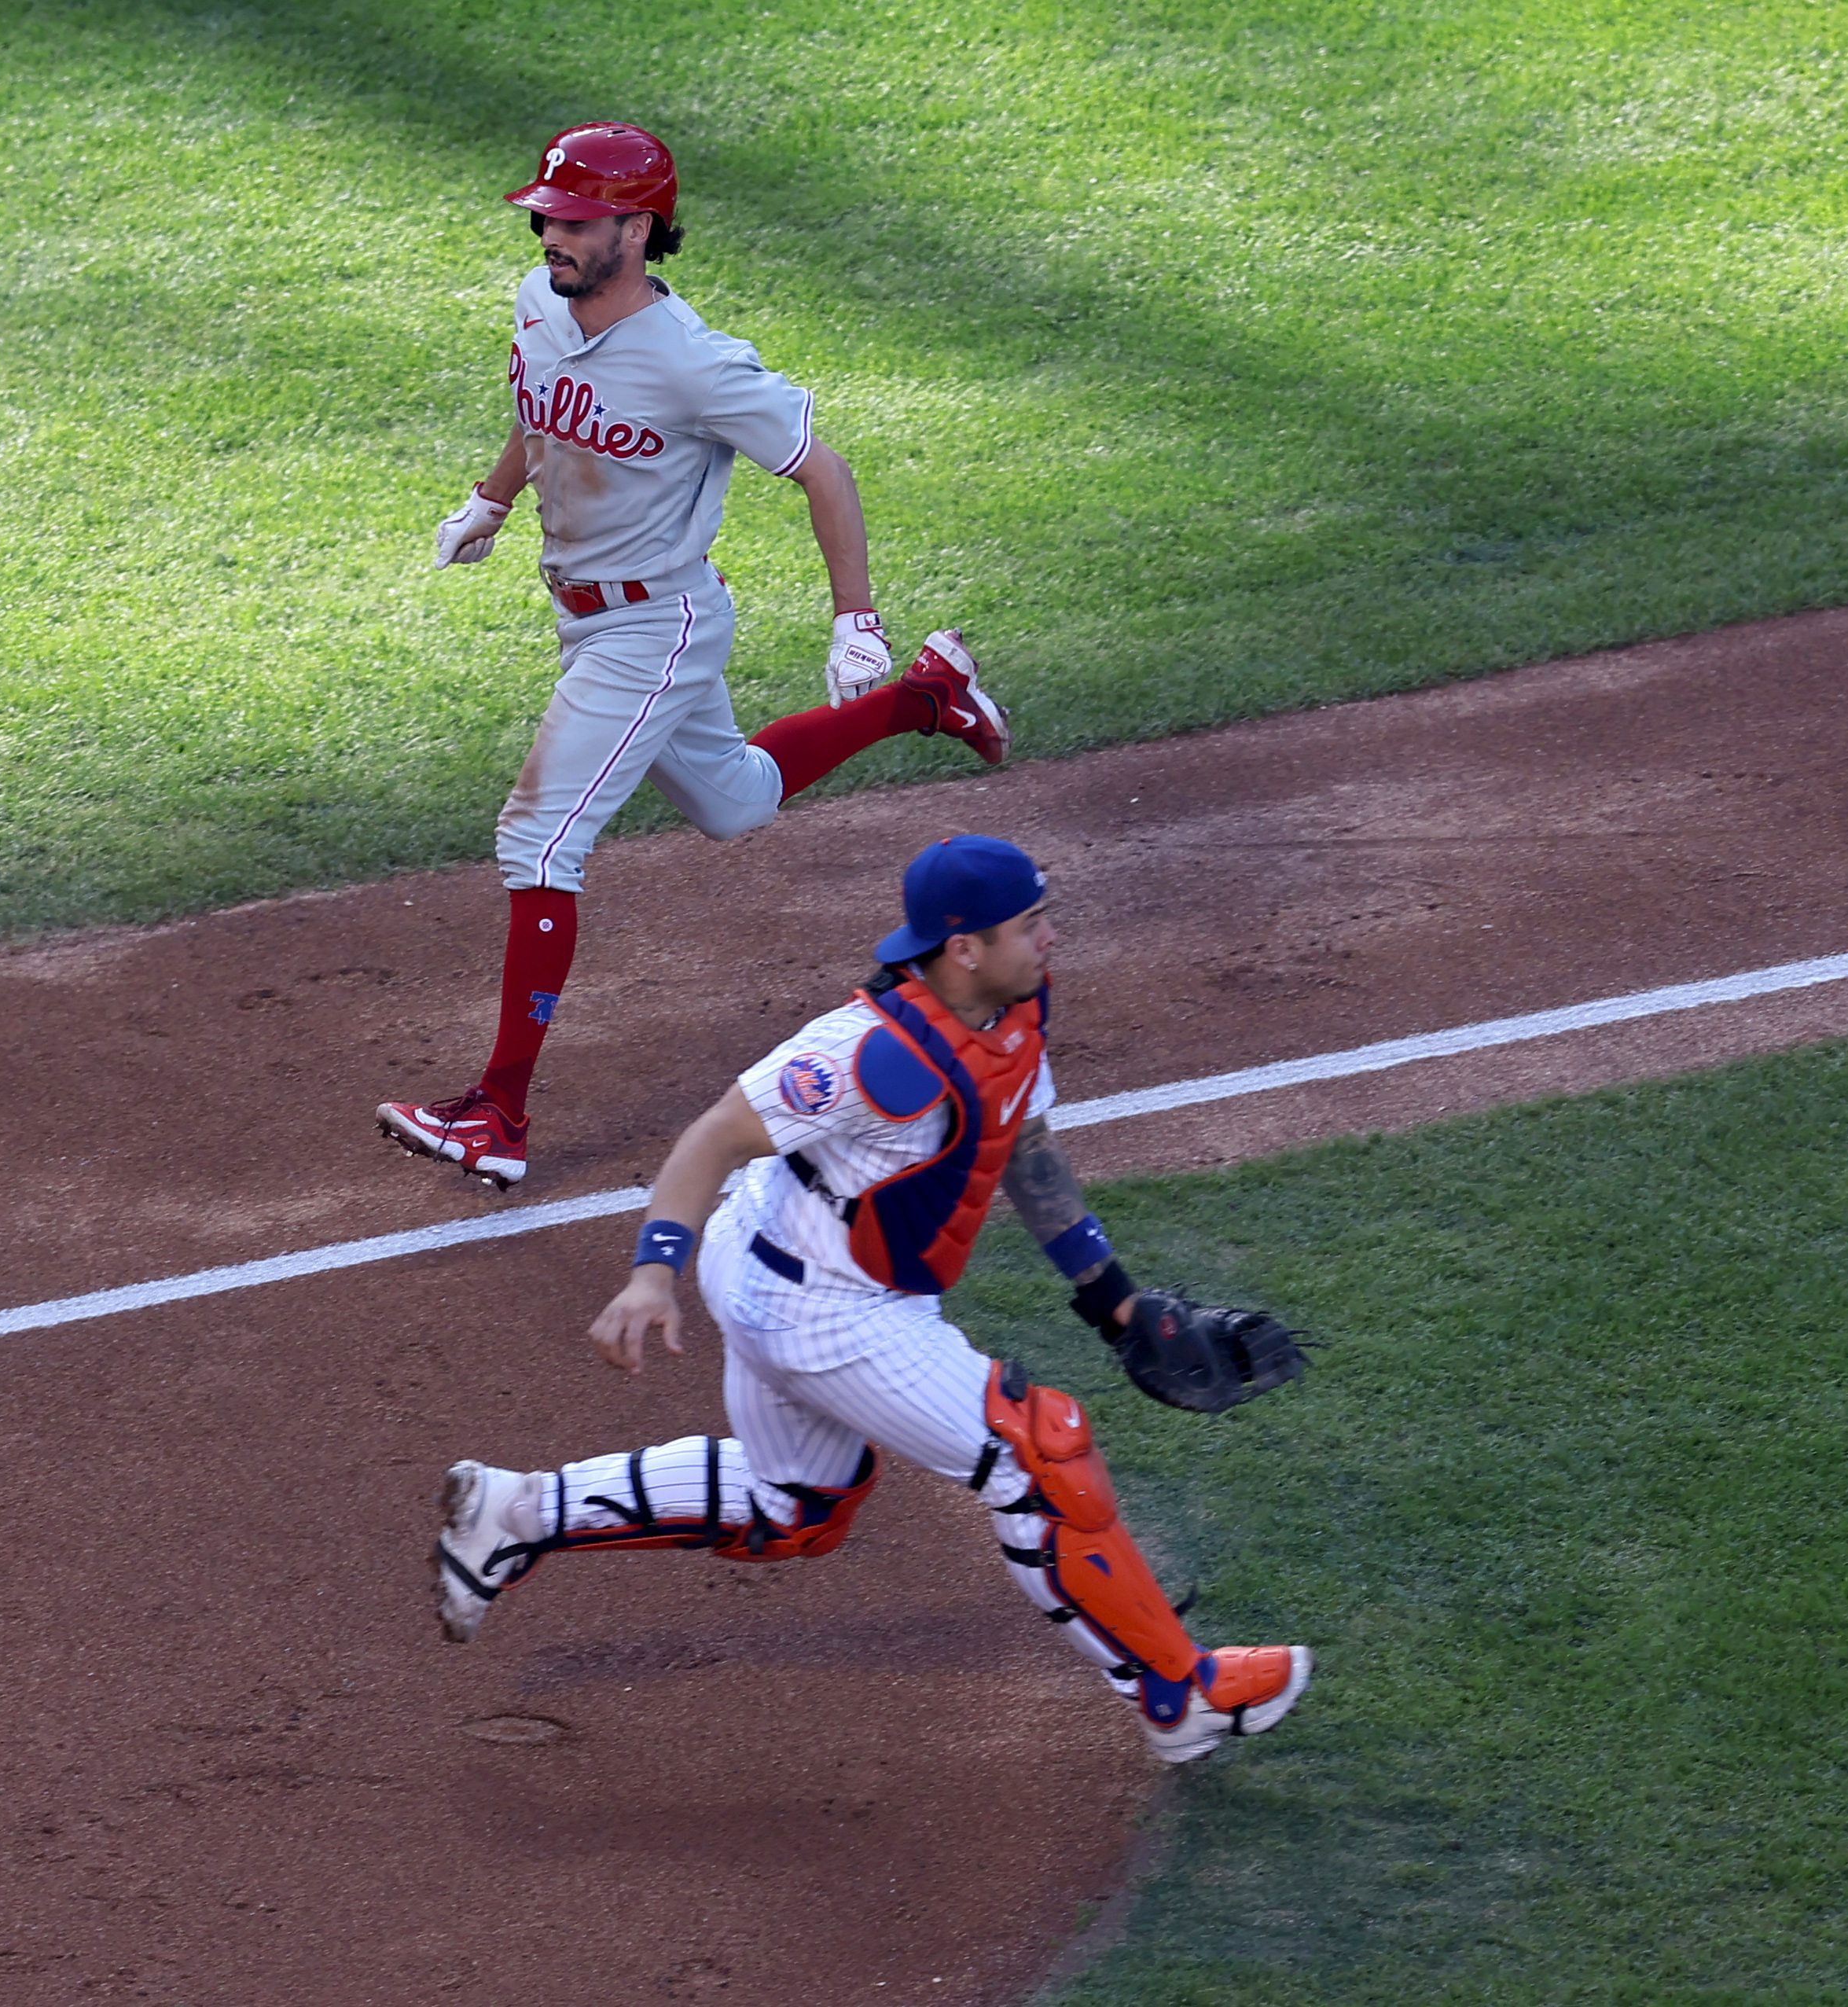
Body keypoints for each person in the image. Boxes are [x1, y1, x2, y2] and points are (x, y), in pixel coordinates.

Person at [428, 835, 1313, 1763]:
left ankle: (515, 1513)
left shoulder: (1009, 1010)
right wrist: (653, 1272)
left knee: (798, 1507)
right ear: (964, 945)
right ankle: (1178, 1696)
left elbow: (1022, 1143)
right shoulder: (867, 1056)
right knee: (1037, 1454)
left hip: (800, 1271)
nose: (1050, 938)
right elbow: (712, 1138)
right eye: (1031, 924)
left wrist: (1114, 1300)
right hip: (819, 1306)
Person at [378, 122, 1012, 1189]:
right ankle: (924, 700)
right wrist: (491, 499)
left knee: (539, 843)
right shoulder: (541, 305)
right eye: (547, 214)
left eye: (576, 218)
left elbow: (826, 470)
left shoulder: (695, 363)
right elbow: (541, 411)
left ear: (639, 226)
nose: (551, 232)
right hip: (588, 614)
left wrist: (852, 616)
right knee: (734, 802)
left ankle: (499, 1115)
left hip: (653, 625)